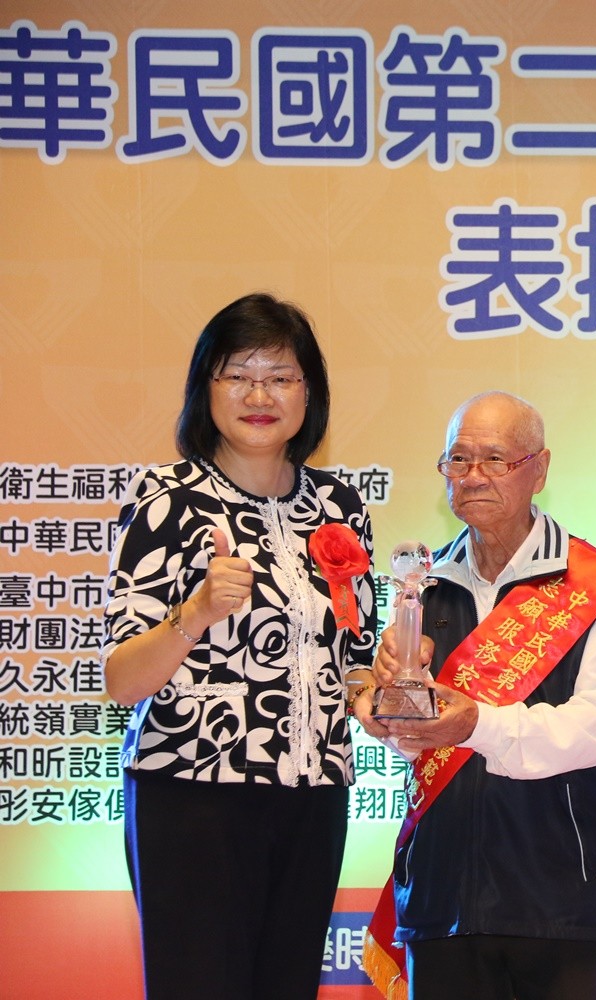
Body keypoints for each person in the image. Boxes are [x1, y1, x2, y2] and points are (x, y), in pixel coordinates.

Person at [102, 293, 378, 1000]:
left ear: (309, 392)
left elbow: (354, 660)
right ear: (207, 387)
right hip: (194, 798)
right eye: (239, 375)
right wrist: (196, 612)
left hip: (315, 796)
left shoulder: (340, 508)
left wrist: (388, 686)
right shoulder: (165, 500)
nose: (260, 396)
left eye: (281, 377)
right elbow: (122, 681)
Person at [354, 391, 596, 1000]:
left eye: (495, 458)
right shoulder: (422, 590)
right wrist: (384, 712)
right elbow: (419, 746)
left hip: (569, 900)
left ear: (539, 469)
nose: (473, 476)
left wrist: (475, 724)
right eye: (458, 460)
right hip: (444, 895)